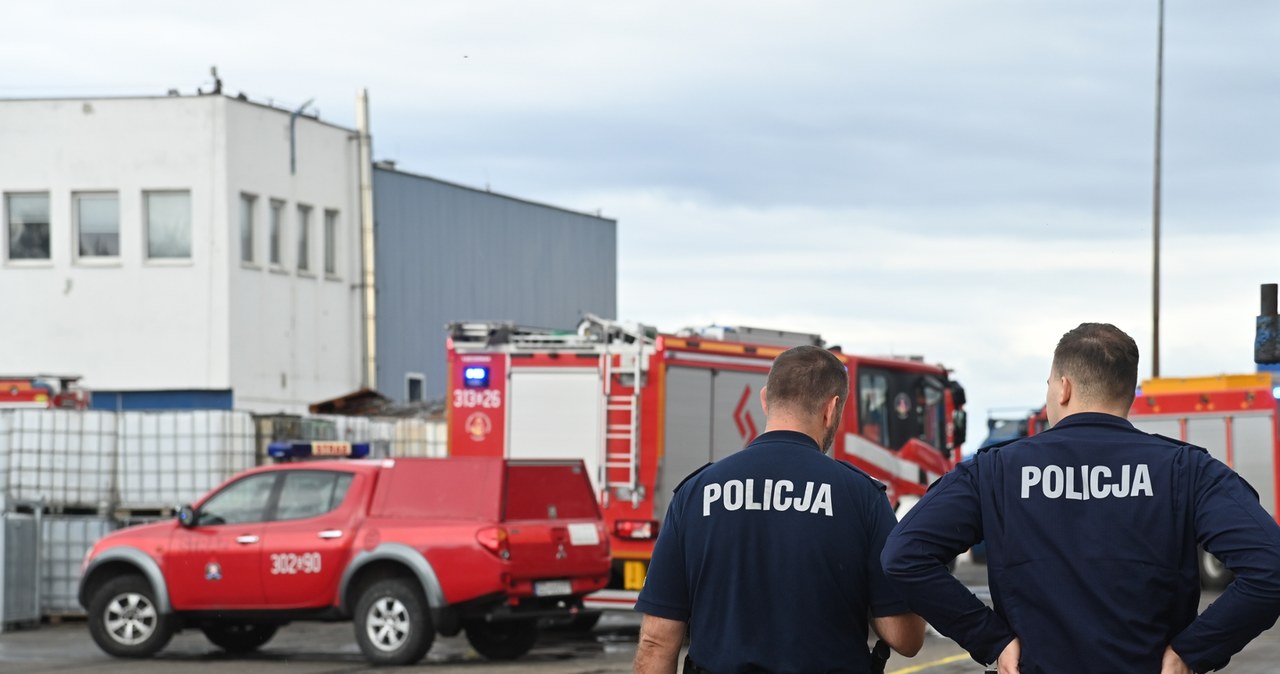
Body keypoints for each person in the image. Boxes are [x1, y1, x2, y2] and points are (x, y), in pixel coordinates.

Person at [881, 322, 1280, 673]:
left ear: (1064, 387)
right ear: (1127, 393)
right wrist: (1191, 652)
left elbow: (904, 554)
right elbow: (1270, 569)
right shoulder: (1185, 470)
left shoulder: (996, 470)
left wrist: (992, 640)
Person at [633, 345, 925, 674]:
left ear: (764, 399)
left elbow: (657, 641)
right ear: (832, 408)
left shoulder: (696, 493)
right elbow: (904, 638)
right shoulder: (862, 497)